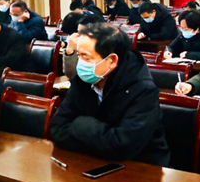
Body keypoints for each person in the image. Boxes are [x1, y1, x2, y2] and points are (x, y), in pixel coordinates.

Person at [50, 23, 170, 165]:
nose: (80, 63)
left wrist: (79, 124)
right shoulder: (84, 80)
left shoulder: (143, 90)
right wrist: (101, 141)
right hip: (92, 161)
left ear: (112, 60)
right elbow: (57, 128)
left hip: (141, 167)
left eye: (86, 57)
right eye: (78, 55)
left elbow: (122, 146)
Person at [63, 14, 105, 79]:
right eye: (78, 32)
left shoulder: (105, 48)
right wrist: (69, 52)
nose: (79, 36)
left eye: (83, 33)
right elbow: (72, 75)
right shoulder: (81, 47)